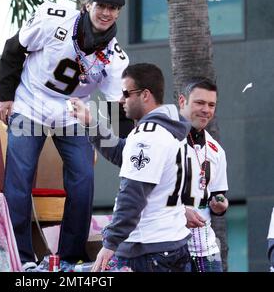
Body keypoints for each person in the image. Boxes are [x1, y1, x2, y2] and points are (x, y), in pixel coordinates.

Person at [0, 0, 129, 269]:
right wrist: (5, 97)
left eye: (112, 8)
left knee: (83, 179)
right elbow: (13, 47)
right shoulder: (54, 20)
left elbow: (119, 107)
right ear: (87, 5)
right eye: (100, 6)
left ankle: (70, 256)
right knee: (19, 176)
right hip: (30, 101)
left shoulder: (115, 58)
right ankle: (21, 258)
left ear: (118, 13)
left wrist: (133, 149)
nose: (105, 13)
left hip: (72, 112)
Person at [70, 63, 192, 272]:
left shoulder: (148, 135)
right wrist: (90, 122)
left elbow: (133, 194)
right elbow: (122, 154)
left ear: (145, 95)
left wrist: (110, 244)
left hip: (148, 251)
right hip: (172, 243)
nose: (121, 99)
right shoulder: (170, 128)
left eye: (126, 93)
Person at [178, 77, 229, 272]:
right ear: (182, 101)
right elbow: (144, 192)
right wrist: (181, 212)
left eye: (211, 104)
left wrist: (221, 205)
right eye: (199, 102)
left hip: (206, 246)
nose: (206, 110)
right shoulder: (163, 138)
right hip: (168, 245)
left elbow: (218, 194)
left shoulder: (217, 150)